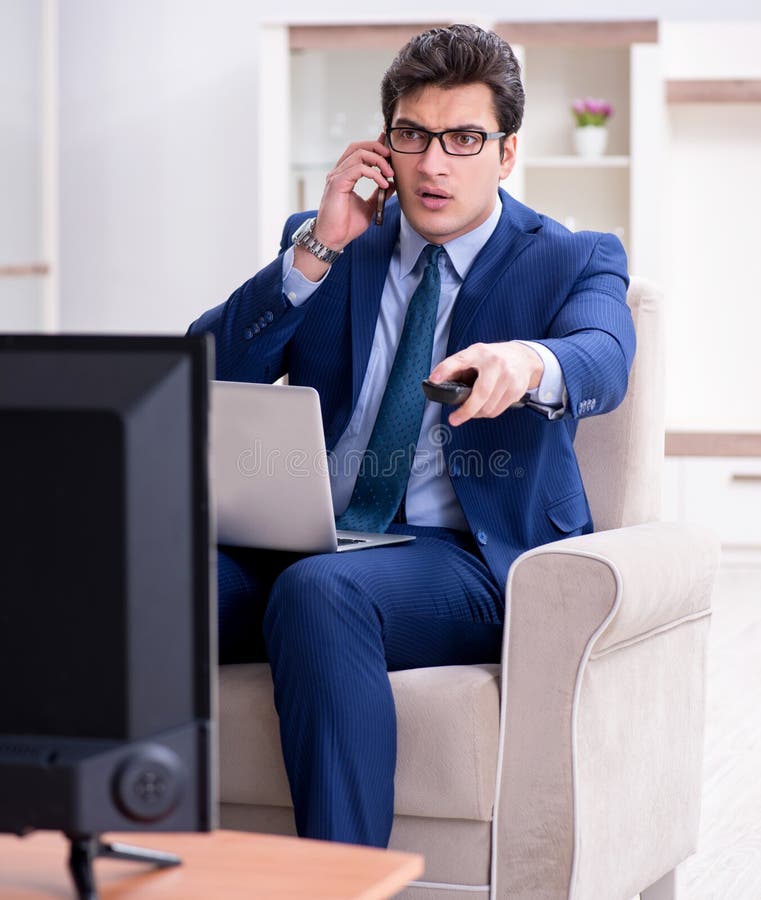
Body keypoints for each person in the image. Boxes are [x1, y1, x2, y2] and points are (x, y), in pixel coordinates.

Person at [188, 23, 635, 848]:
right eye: (412, 135)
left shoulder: (570, 258)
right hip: (312, 537)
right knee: (134, 576)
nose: (433, 164)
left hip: (461, 558)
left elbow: (603, 358)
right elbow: (199, 373)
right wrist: (315, 250)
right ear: (382, 143)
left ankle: (344, 880)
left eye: (464, 138)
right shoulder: (331, 239)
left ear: (505, 154)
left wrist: (529, 361)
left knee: (318, 592)